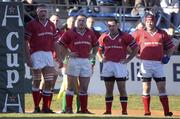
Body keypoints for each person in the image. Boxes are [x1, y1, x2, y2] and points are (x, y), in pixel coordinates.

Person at [132, 13, 175, 116]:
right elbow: (128, 43)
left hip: (158, 64)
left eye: (151, 21)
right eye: (147, 21)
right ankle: (147, 111)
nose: (149, 23)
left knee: (162, 87)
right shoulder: (139, 33)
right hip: (145, 64)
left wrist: (167, 57)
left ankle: (166, 112)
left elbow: (171, 47)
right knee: (146, 87)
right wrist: (135, 55)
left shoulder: (162, 33)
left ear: (154, 21)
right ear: (145, 22)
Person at [55, 14, 98, 114]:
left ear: (86, 22)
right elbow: (60, 44)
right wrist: (67, 53)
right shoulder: (69, 32)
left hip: (85, 61)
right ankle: (68, 109)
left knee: (84, 88)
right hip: (73, 61)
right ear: (76, 22)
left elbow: (96, 45)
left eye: (83, 20)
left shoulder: (90, 33)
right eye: (79, 20)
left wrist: (93, 54)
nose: (81, 22)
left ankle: (83, 110)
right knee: (70, 87)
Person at [97, 19, 139, 115]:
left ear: (118, 25)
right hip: (108, 65)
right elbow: (98, 50)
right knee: (108, 90)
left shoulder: (126, 36)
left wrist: (128, 59)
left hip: (120, 65)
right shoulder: (104, 36)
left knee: (122, 89)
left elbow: (136, 48)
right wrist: (100, 59)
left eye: (113, 25)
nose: (111, 28)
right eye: (109, 26)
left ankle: (124, 111)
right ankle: (108, 111)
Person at [25, 4, 57, 113]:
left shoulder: (52, 25)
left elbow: (55, 42)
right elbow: (25, 42)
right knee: (37, 81)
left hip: (48, 54)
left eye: (44, 11)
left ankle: (45, 107)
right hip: (35, 54)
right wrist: (28, 57)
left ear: (47, 12)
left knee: (49, 81)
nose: (43, 13)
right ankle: (36, 107)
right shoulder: (31, 24)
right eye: (40, 11)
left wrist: (60, 57)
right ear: (37, 13)